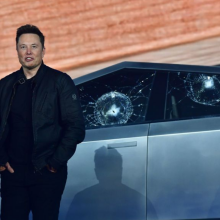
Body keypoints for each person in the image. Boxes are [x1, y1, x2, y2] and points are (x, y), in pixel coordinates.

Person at [0, 24, 85, 220]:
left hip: (47, 173)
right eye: (23, 47)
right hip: (12, 175)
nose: (28, 52)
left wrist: (54, 163)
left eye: (34, 46)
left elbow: (75, 126)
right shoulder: (5, 85)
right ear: (17, 51)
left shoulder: (60, 82)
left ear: (43, 50)